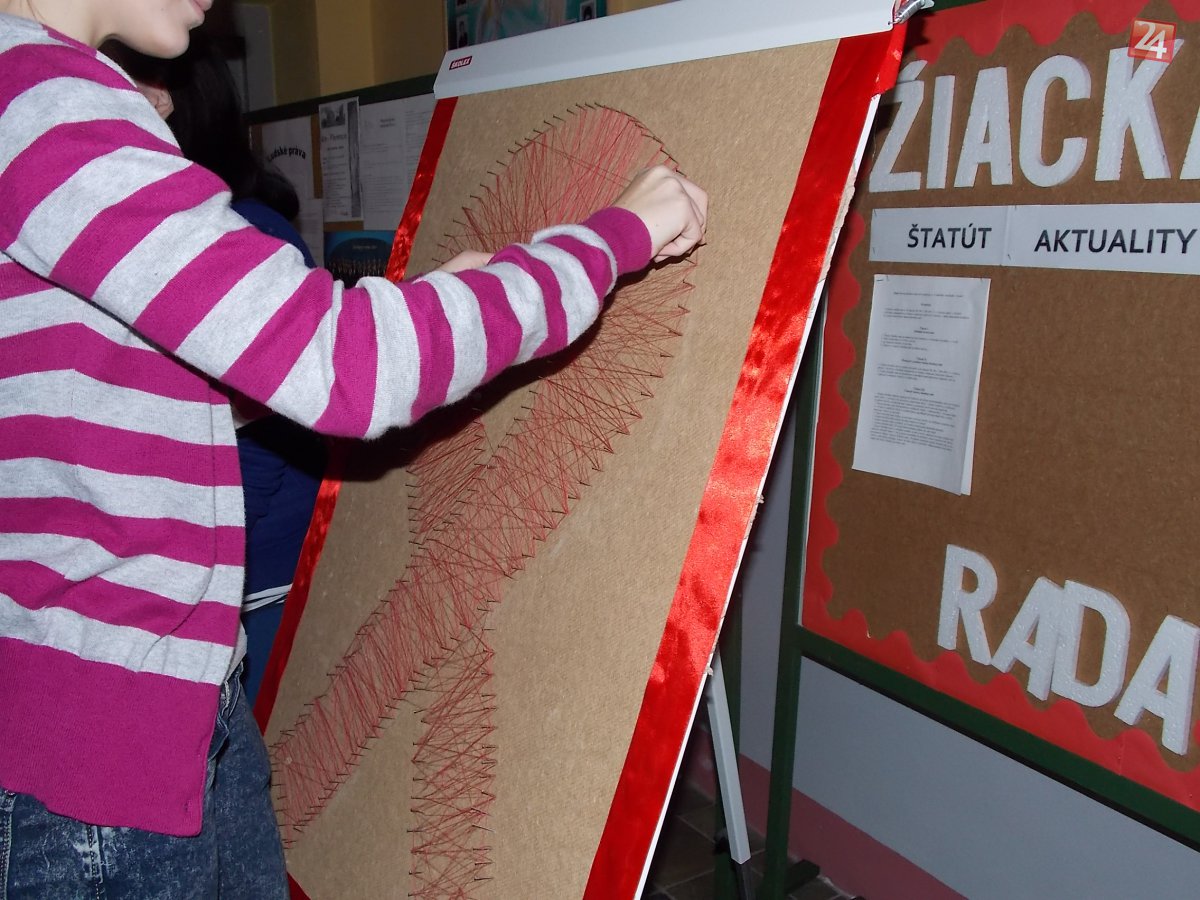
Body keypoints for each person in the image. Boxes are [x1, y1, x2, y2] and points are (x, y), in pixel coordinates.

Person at [0, 0, 707, 897]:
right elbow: (345, 368)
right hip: (103, 751)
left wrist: (416, 317)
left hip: (169, 705)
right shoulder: (41, 95)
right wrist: (614, 238)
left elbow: (102, 393)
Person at [116, 32, 328, 706]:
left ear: (169, 102)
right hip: (210, 574)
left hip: (254, 578)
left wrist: (209, 575)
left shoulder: (245, 230)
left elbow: (263, 436)